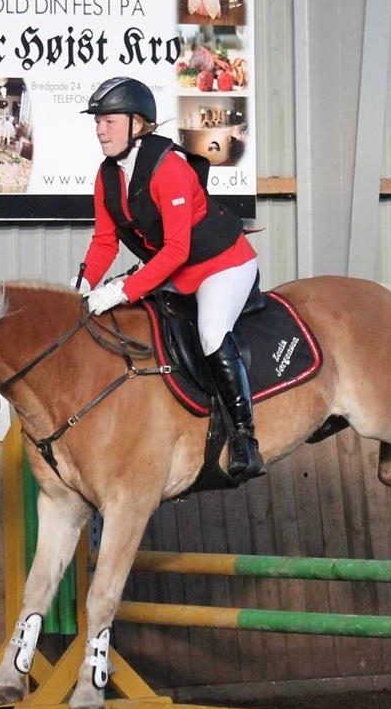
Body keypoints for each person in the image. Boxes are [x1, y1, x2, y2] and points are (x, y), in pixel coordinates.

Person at [76, 76, 263, 479]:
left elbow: (177, 250)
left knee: (211, 333)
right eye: (98, 121)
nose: (100, 129)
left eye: (109, 120)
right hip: (174, 271)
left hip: (222, 264)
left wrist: (121, 289)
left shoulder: (170, 168)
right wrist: (86, 285)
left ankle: (246, 437)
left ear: (138, 123)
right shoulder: (106, 176)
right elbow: (105, 242)